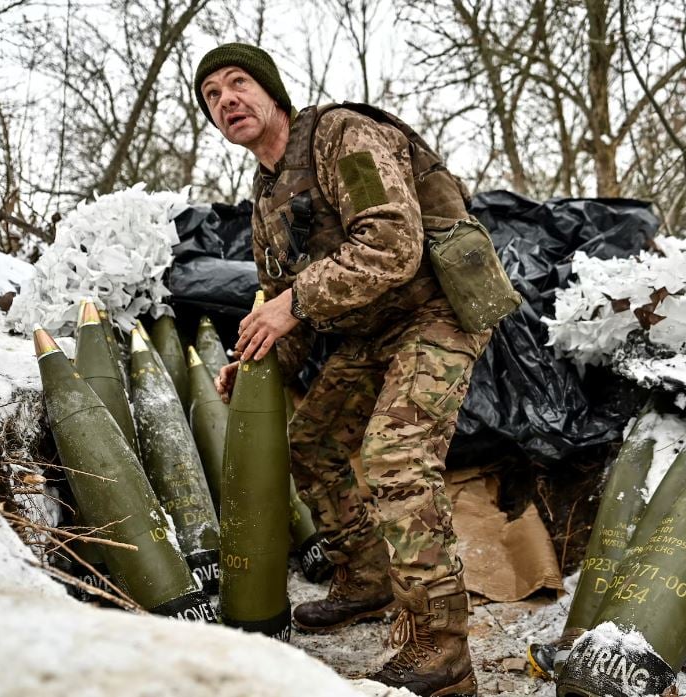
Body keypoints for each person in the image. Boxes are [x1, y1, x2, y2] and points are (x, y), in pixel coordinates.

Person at [195, 42, 490, 697]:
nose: (226, 101)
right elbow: (283, 304)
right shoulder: (266, 191)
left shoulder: (342, 138)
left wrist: (292, 303)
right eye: (212, 96)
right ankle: (366, 578)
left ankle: (441, 653)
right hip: (371, 326)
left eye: (238, 83)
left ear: (273, 94)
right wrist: (256, 365)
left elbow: (390, 239)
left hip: (436, 307)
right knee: (311, 440)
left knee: (394, 454)